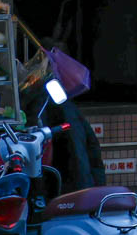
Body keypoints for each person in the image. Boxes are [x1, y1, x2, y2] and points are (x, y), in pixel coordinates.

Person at [19, 45, 105, 192]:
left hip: (62, 185)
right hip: (79, 183)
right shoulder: (61, 101)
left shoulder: (43, 101)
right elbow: (92, 147)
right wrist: (97, 184)